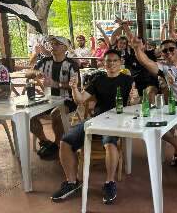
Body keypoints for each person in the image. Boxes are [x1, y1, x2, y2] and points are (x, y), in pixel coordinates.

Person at [50, 49, 133, 204]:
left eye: (115, 61)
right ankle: (72, 182)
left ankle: (109, 183)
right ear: (103, 62)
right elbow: (80, 100)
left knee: (109, 143)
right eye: (108, 61)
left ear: (120, 62)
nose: (111, 64)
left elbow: (135, 104)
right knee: (65, 141)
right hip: (97, 120)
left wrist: (135, 99)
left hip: (118, 121)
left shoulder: (127, 80)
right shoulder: (98, 80)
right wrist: (74, 88)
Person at [129, 15, 177, 170]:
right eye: (164, 51)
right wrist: (136, 48)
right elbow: (145, 61)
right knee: (156, 126)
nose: (168, 52)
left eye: (171, 49)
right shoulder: (164, 67)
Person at [26, 36, 79, 159]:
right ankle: (45, 141)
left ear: (65, 48)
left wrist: (57, 84)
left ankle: (56, 145)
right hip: (48, 99)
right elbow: (28, 74)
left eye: (57, 44)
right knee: (28, 115)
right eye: (52, 43)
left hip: (68, 100)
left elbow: (76, 86)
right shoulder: (45, 62)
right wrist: (36, 73)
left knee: (57, 114)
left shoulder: (72, 65)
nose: (53, 46)